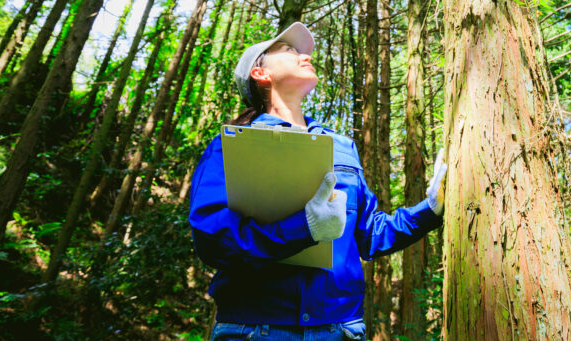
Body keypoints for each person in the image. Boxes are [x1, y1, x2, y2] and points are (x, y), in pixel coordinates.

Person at [187, 22, 448, 341]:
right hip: (254, 328)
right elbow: (212, 237)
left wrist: (430, 210)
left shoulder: (342, 147)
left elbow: (369, 235)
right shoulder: (229, 145)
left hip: (341, 330)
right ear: (261, 74)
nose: (303, 55)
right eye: (288, 50)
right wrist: (304, 228)